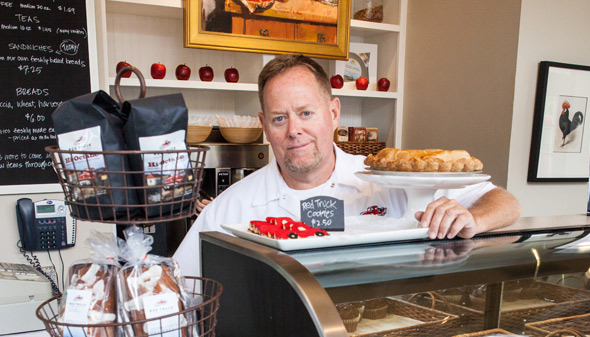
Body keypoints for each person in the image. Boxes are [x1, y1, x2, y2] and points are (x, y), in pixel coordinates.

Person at [173, 54, 521, 276]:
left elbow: (506, 204)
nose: (294, 130)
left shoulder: (389, 180)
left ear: (334, 112)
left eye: (306, 113)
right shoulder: (229, 208)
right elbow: (179, 286)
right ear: (264, 126)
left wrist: (472, 218)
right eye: (280, 119)